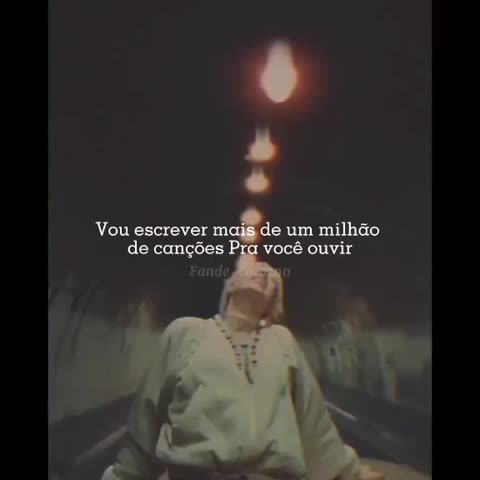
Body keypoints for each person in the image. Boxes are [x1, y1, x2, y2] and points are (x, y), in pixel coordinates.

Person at [101, 261, 384, 480]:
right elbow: (148, 414)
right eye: (252, 270)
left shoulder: (282, 341)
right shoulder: (186, 332)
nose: (261, 272)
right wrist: (126, 474)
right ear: (230, 286)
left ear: (274, 298)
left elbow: (313, 423)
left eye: (269, 275)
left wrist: (349, 473)